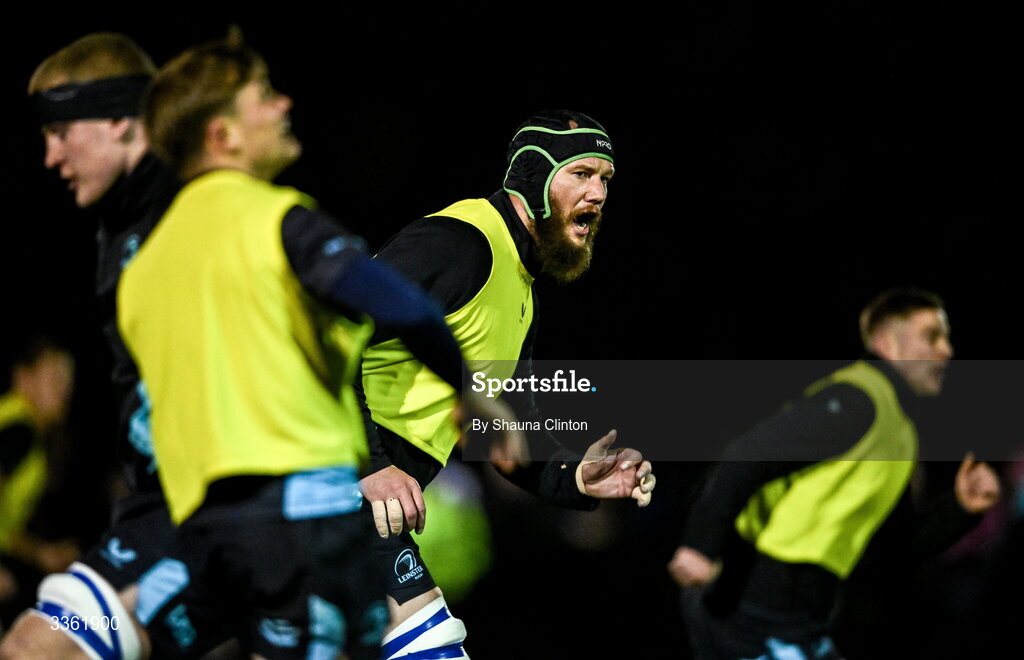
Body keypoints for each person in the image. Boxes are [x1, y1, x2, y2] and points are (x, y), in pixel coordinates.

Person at [117, 32, 522, 660]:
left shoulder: (140, 273)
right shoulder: (276, 221)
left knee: (104, 638)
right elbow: (401, 305)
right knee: (429, 641)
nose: (283, 104)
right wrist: (469, 391)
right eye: (263, 97)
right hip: (300, 523)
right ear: (223, 136)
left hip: (197, 527)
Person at [359, 109, 657, 659]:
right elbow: (329, 340)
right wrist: (371, 466)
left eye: (606, 180)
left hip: (356, 496)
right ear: (533, 178)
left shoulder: (522, 294)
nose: (597, 193)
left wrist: (577, 479)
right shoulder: (461, 243)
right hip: (329, 471)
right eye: (581, 174)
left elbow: (498, 440)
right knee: (432, 642)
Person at [667, 288, 1001, 659]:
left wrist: (960, 508)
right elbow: (748, 454)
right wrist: (700, 543)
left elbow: (894, 544)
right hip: (746, 604)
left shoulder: (900, 431)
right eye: (931, 336)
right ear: (886, 342)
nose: (946, 350)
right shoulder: (857, 399)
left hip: (799, 618)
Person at [1, 33, 181, 660]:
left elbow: (369, 321)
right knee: (34, 647)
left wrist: (379, 463)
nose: (49, 156)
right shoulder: (122, 234)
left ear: (118, 119)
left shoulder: (198, 211)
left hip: (237, 516)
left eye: (60, 132)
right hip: (174, 521)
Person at [0, 339, 76, 628]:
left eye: (69, 381)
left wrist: (42, 555)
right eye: (54, 377)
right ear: (24, 378)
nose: (64, 390)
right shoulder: (18, 429)